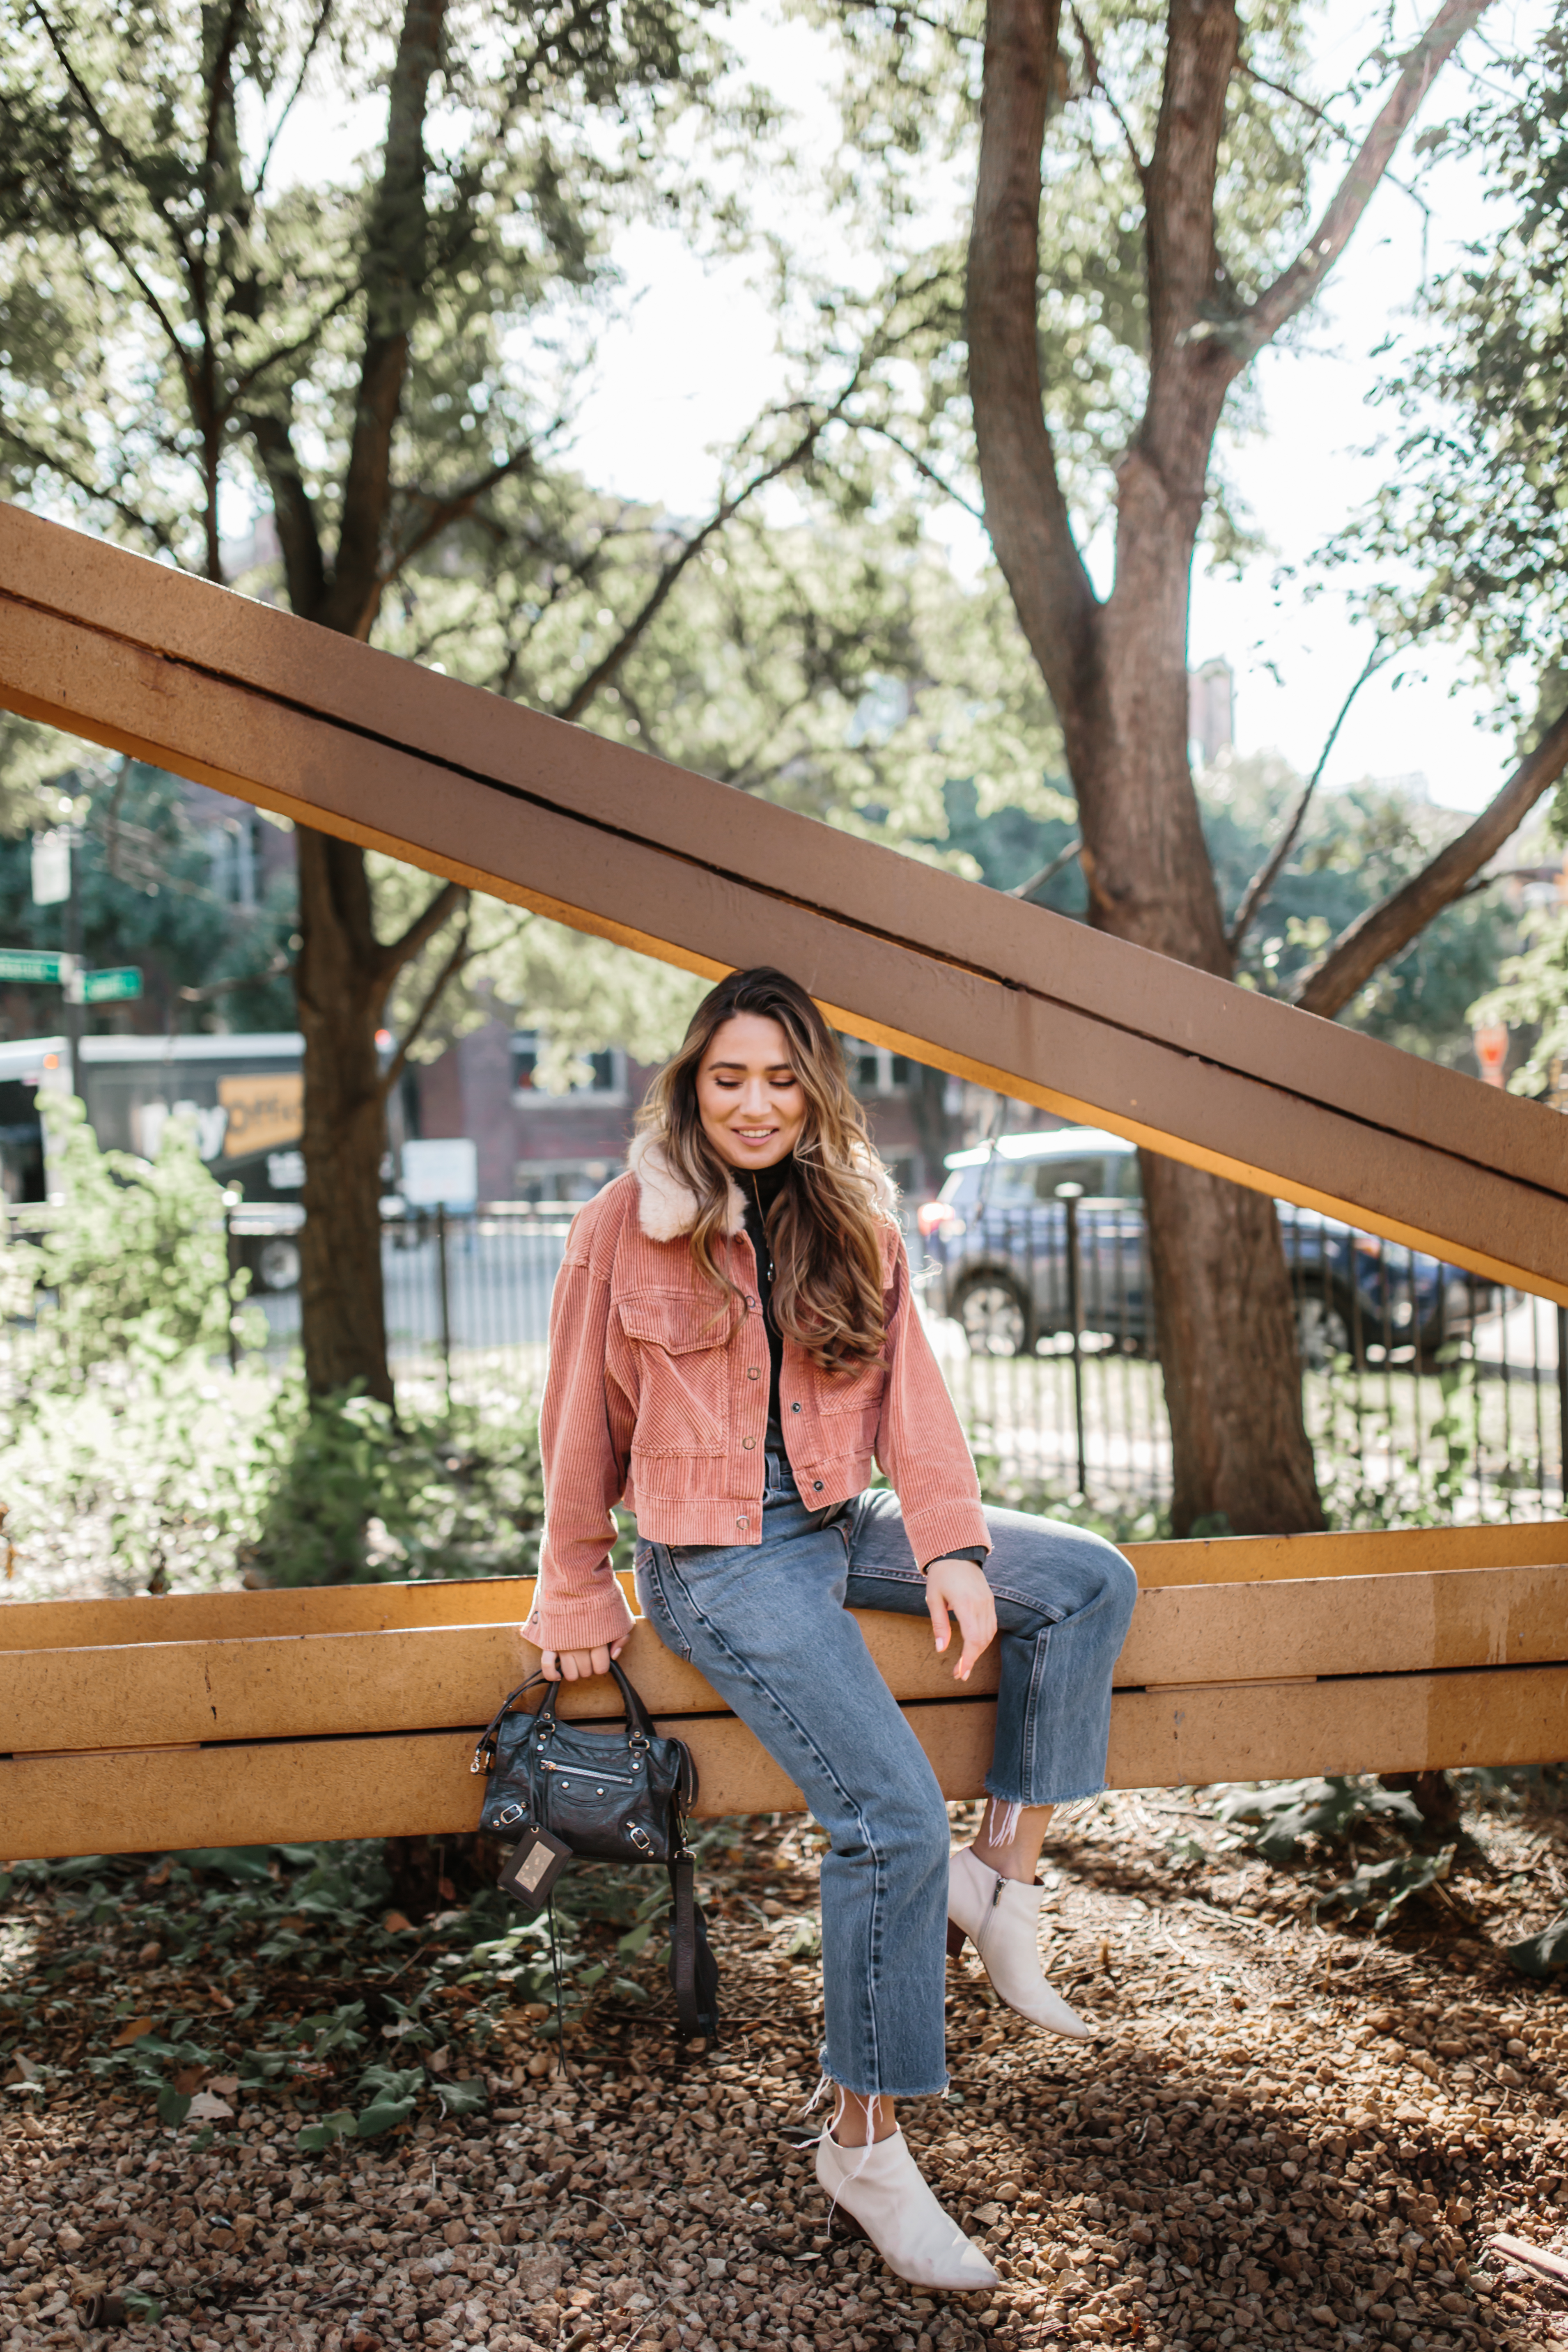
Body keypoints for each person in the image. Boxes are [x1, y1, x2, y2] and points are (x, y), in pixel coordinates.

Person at [523, 968, 1138, 2292]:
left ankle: (1003, 1881)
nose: (753, 1103)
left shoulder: (852, 1217)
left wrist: (954, 1548)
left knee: (1086, 1581)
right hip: (716, 1557)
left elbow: (910, 1403)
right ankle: (863, 2143)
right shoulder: (621, 1224)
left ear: (813, 1088)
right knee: (887, 1818)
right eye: (727, 1076)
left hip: (835, 1515)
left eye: (779, 1078)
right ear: (693, 1083)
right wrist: (575, 1583)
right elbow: (579, 1422)